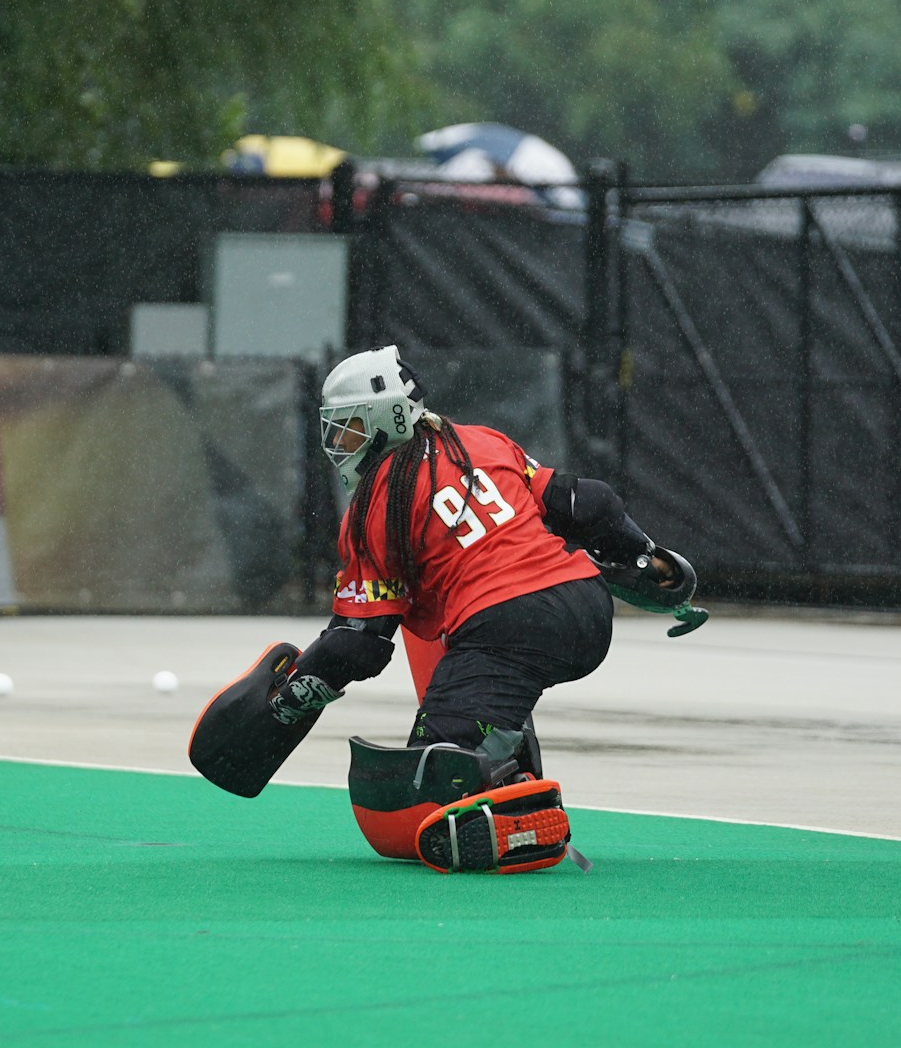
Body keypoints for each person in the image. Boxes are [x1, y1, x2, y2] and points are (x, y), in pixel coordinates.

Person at [273, 344, 703, 873]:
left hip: (509, 623)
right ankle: (508, 763)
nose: (341, 445)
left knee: (432, 787)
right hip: (586, 605)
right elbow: (587, 502)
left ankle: (522, 820)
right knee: (478, 698)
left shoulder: (371, 508)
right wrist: (642, 554)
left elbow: (359, 641)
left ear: (390, 418)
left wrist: (292, 697)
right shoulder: (480, 440)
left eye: (351, 429)